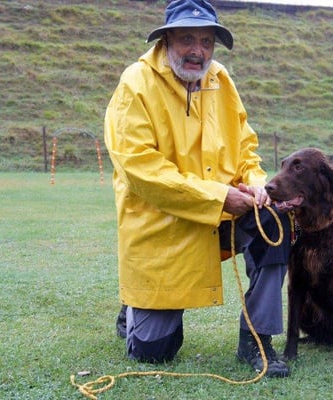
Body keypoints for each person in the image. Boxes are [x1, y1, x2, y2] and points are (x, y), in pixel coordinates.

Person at [104, 0, 291, 378]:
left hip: (222, 217)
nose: (198, 51)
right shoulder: (135, 84)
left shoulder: (221, 79)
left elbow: (245, 148)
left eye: (206, 41)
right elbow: (143, 171)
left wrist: (257, 184)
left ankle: (257, 339)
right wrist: (219, 197)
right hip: (164, 230)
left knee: (274, 220)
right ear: (166, 40)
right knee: (153, 353)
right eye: (187, 39)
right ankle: (133, 307)